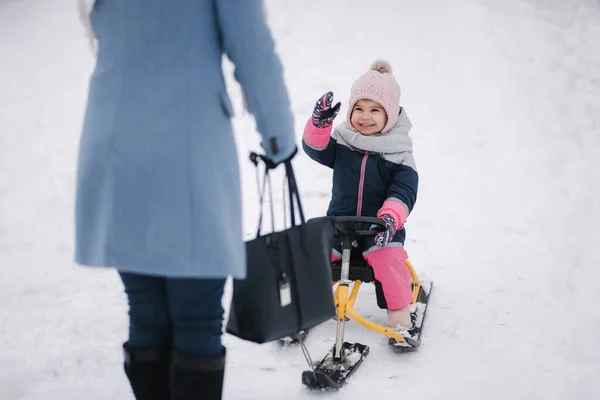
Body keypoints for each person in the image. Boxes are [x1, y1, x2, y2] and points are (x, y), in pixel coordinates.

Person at [75, 1, 296, 399]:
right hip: (186, 151)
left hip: (113, 146)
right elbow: (251, 47)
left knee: (146, 309)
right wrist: (277, 136)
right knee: (195, 315)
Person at [302, 60, 418, 337]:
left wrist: (390, 217)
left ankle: (400, 314)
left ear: (390, 114)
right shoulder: (344, 143)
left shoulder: (399, 154)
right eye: (359, 109)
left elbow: (404, 192)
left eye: (375, 110)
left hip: (379, 230)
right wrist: (319, 125)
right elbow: (316, 149)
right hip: (338, 226)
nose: (365, 117)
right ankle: (302, 308)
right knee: (310, 254)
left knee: (388, 260)